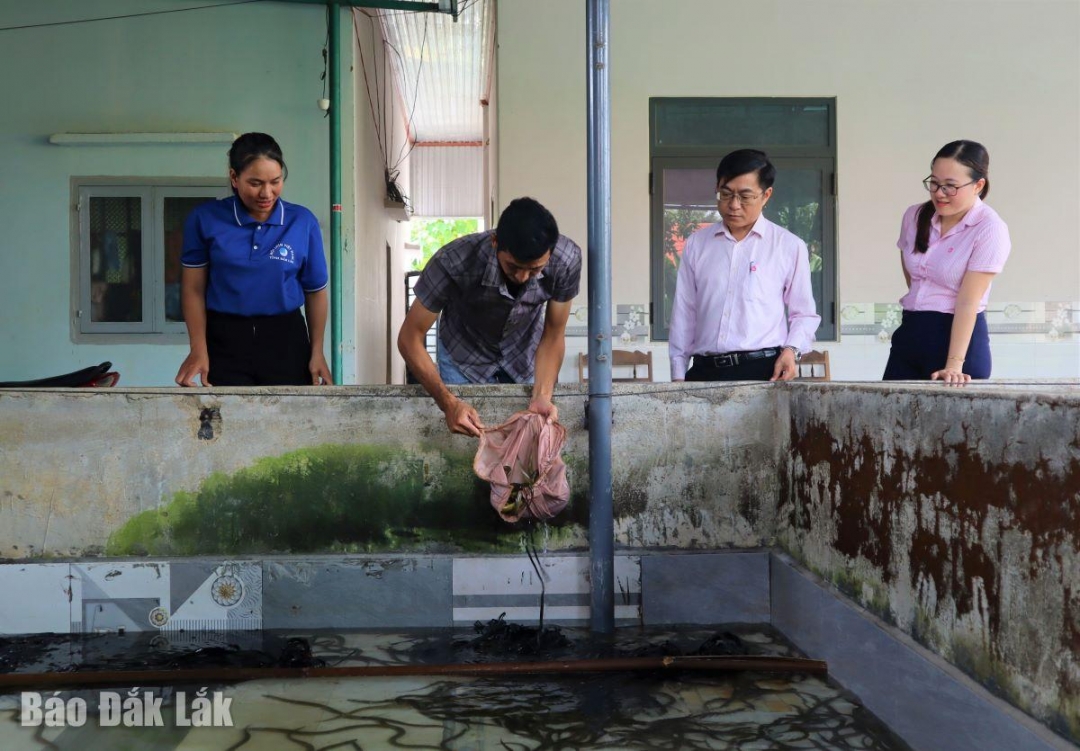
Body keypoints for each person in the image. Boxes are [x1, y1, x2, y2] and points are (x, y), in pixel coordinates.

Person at [398, 197, 582, 436]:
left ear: (551, 252)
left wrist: (542, 396)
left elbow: (554, 334)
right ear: (495, 241)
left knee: (526, 440)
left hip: (523, 354)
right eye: (514, 267)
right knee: (464, 440)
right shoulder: (453, 261)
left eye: (535, 269)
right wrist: (449, 403)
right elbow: (409, 337)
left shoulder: (565, 261)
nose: (524, 277)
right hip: (463, 355)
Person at [175, 133, 331, 387]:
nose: (266, 193)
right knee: (225, 420)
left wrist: (317, 352)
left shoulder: (302, 222)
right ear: (234, 178)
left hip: (286, 339)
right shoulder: (204, 219)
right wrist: (198, 349)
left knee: (288, 421)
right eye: (255, 183)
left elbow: (315, 292)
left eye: (275, 182)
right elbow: (193, 290)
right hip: (224, 339)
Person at [669, 149, 820, 382]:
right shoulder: (697, 244)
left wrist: (791, 350)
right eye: (725, 194)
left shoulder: (788, 246)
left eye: (745, 196)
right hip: (703, 372)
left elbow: (804, 314)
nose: (734, 205)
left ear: (766, 195)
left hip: (763, 371)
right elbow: (684, 312)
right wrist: (679, 376)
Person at [883, 140, 1010, 385]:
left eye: (950, 186)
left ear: (978, 185)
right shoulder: (915, 215)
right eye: (934, 183)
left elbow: (968, 302)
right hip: (912, 331)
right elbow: (915, 277)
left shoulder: (989, 228)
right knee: (891, 418)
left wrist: (953, 364)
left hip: (958, 342)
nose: (939, 193)